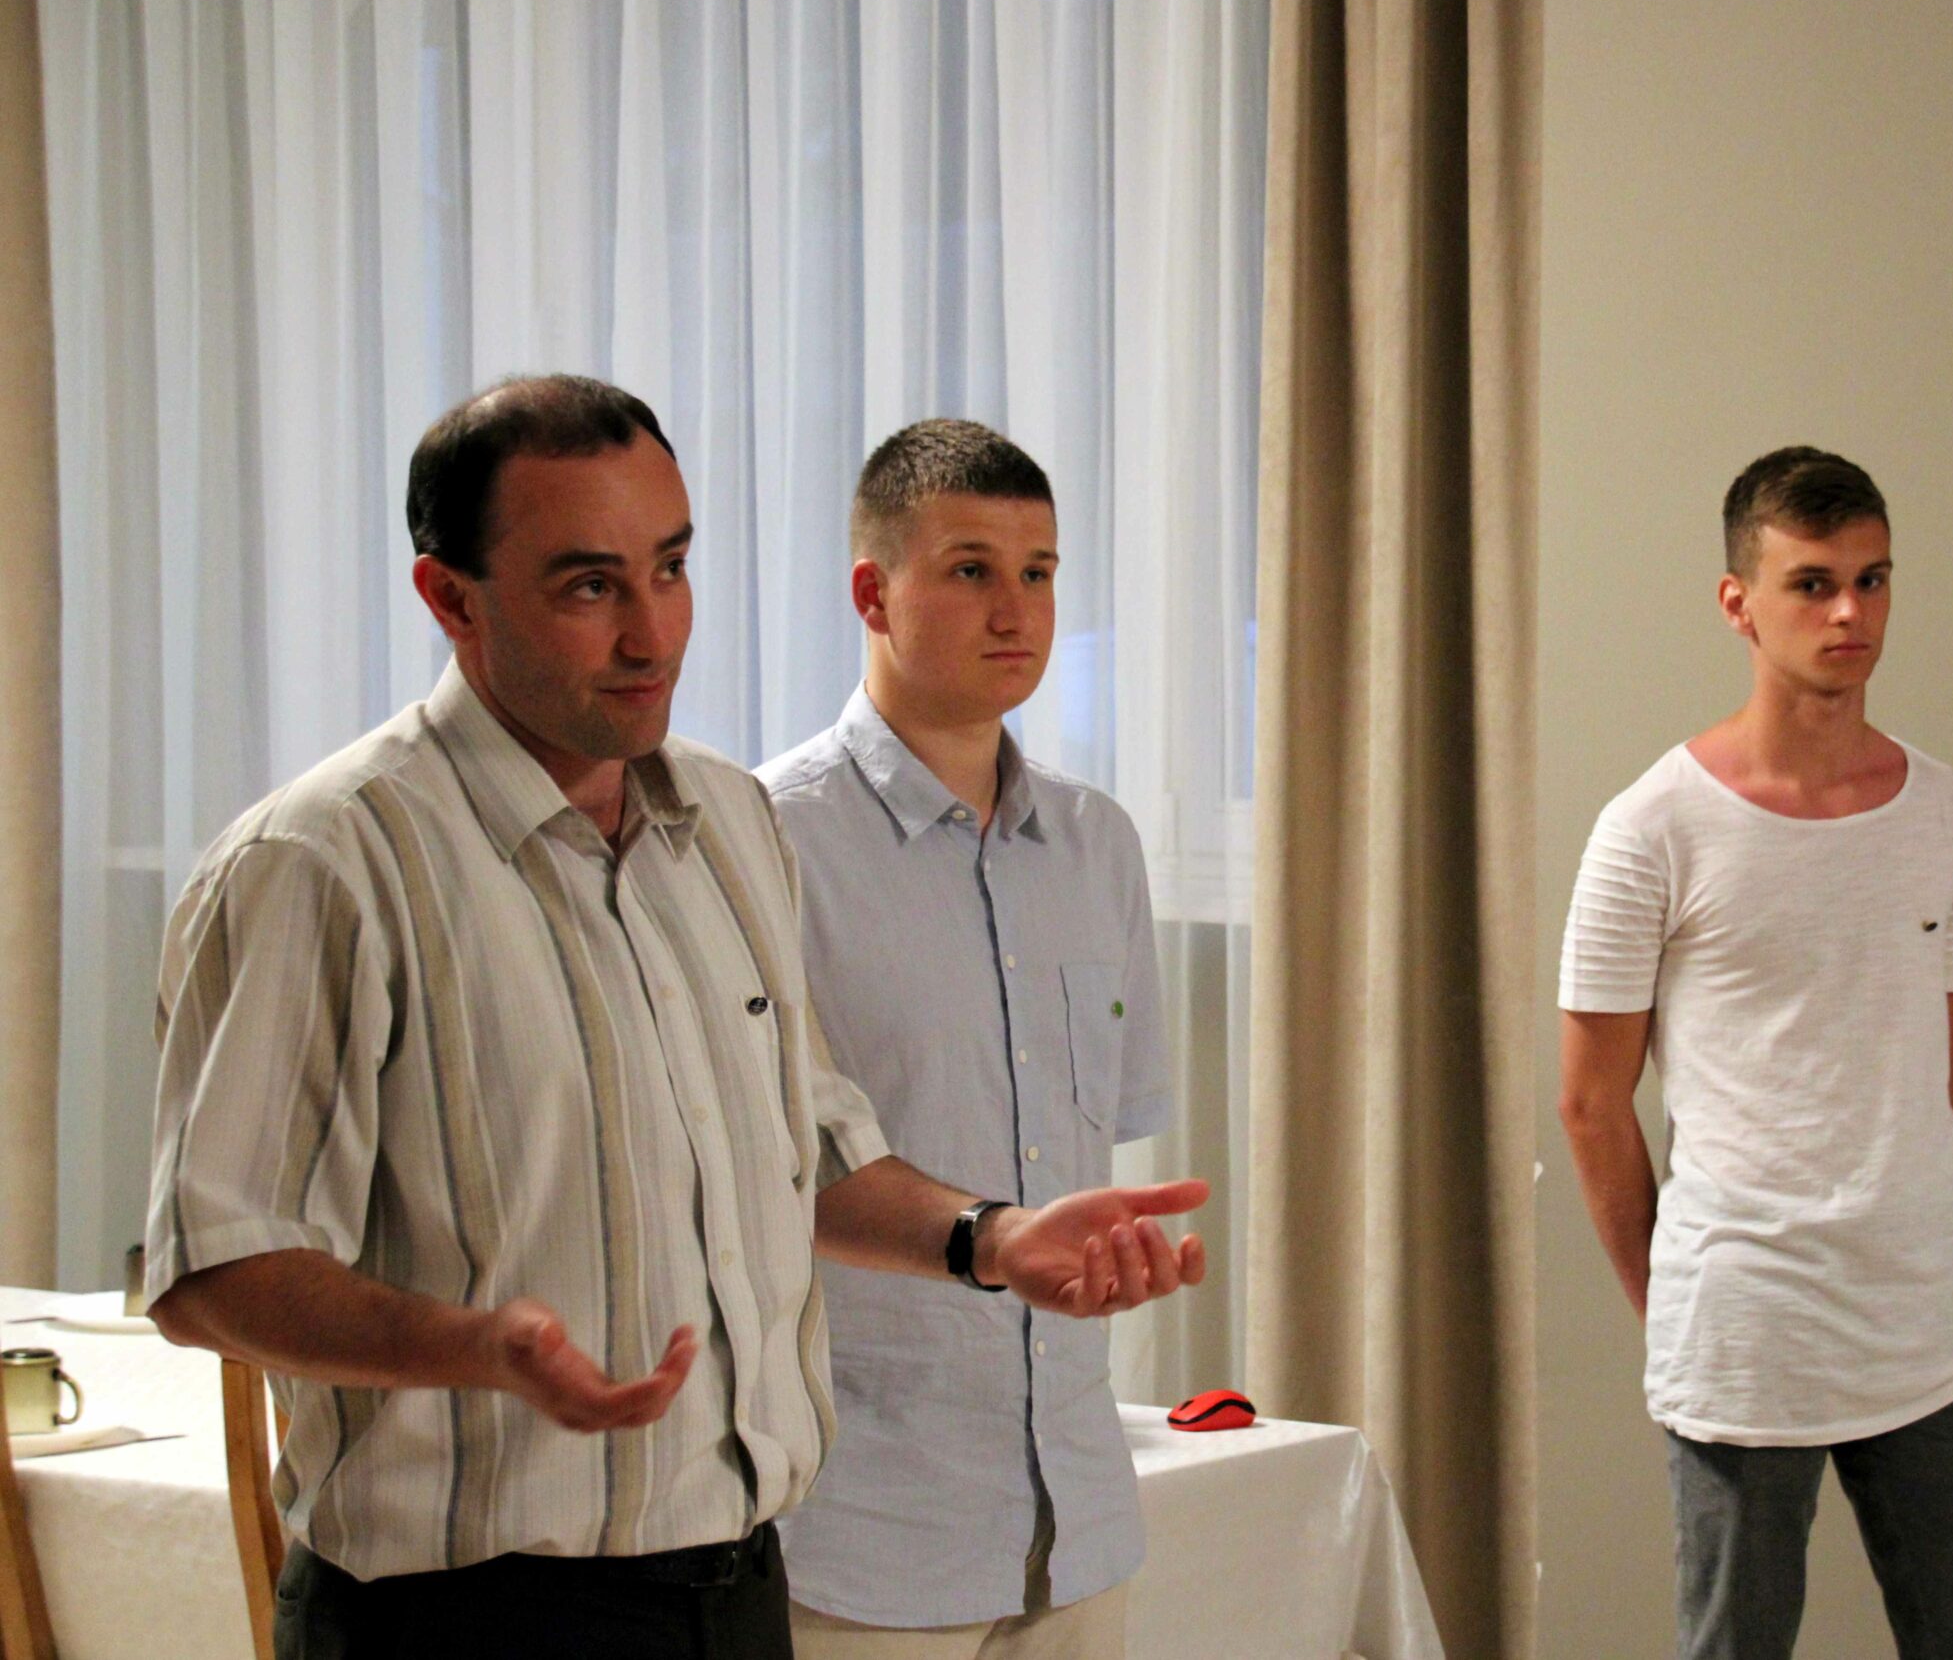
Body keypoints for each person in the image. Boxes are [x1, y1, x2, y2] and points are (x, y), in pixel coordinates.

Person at [143, 376, 1208, 1660]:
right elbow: (210, 1271)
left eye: (672, 568)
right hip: (468, 1614)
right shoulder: (321, 863)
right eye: (590, 586)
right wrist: (473, 1347)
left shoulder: (727, 824)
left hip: (736, 1585)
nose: (652, 635)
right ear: (452, 599)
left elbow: (811, 1152)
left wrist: (992, 1237)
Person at [1556, 446, 1953, 1660]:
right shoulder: (1651, 828)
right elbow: (1589, 1105)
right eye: (1812, 584)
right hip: (1744, 1321)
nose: (1848, 614)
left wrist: (1887, 1202)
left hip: (1939, 1319)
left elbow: (1941, 1086)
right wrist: (1677, 1300)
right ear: (1739, 602)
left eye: (1872, 581)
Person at [757, 420, 1176, 1659]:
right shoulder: (766, 839)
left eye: (1038, 573)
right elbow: (759, 1169)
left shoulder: (1097, 845)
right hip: (863, 1523)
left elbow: (1101, 1134)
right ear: (871, 594)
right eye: (970, 569)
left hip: (1076, 1515)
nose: (1016, 610)